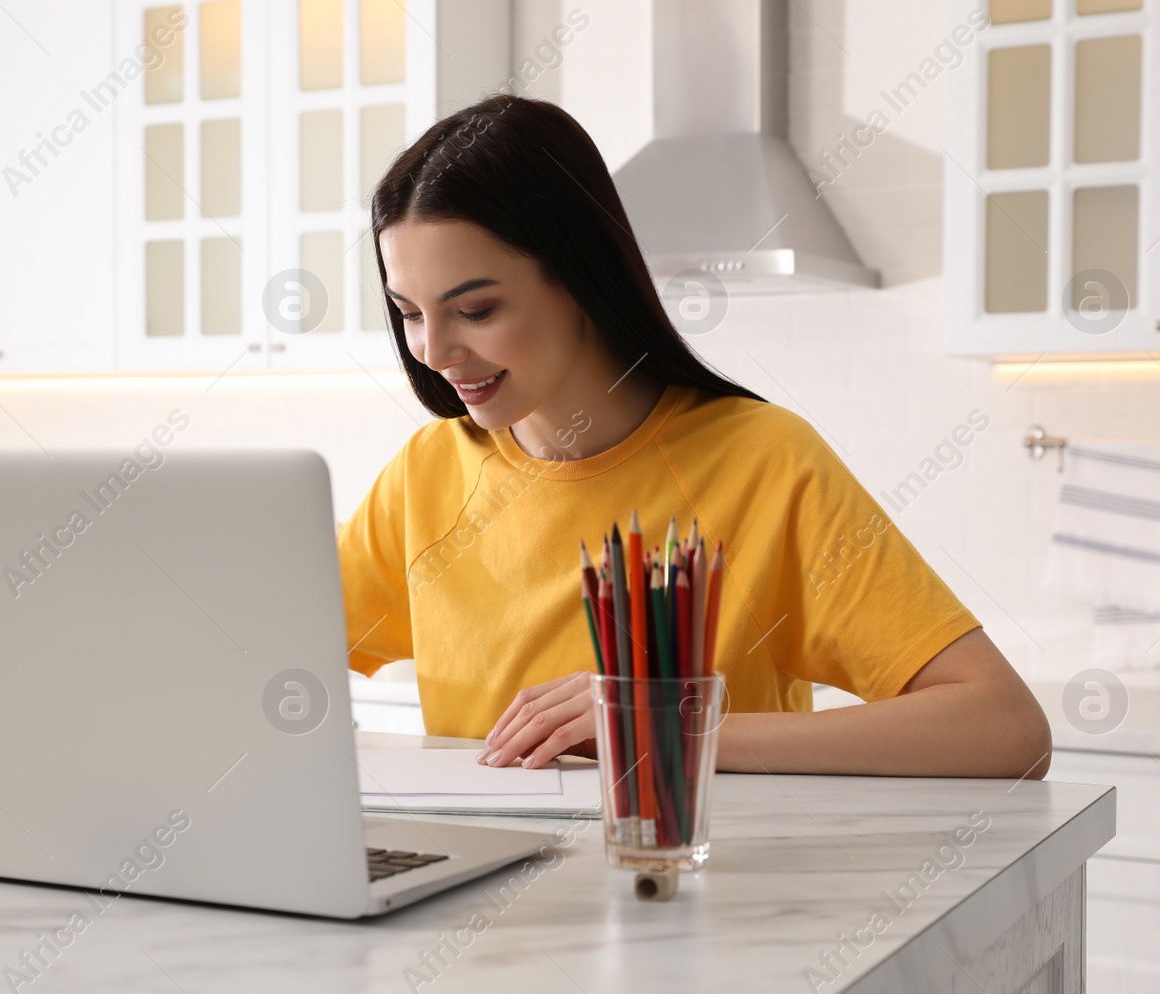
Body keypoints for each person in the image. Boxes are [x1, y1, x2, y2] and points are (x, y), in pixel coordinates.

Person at [336, 94, 1051, 779]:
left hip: (699, 892)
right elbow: (266, 655)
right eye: (408, 312)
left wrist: (662, 724)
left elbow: (1006, 728)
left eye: (476, 308)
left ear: (581, 276)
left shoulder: (764, 462)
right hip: (480, 899)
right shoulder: (425, 475)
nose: (432, 349)